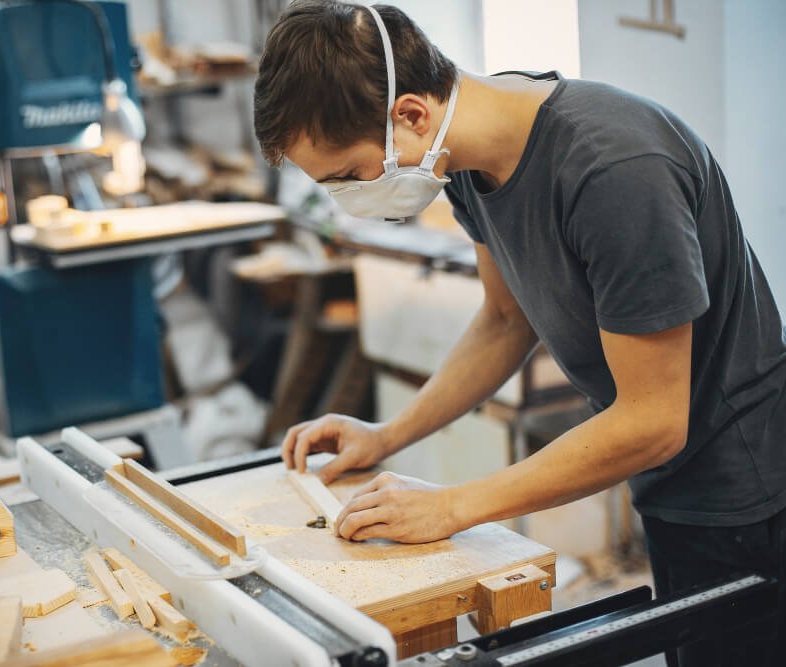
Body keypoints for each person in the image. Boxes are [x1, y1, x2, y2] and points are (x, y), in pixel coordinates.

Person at [253, 2, 786, 664]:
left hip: (747, 494)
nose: (351, 197)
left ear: (411, 115)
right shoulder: (462, 160)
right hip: (671, 485)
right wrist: (386, 436)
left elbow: (653, 422)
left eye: (352, 176)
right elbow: (505, 318)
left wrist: (453, 506)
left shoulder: (613, 171)